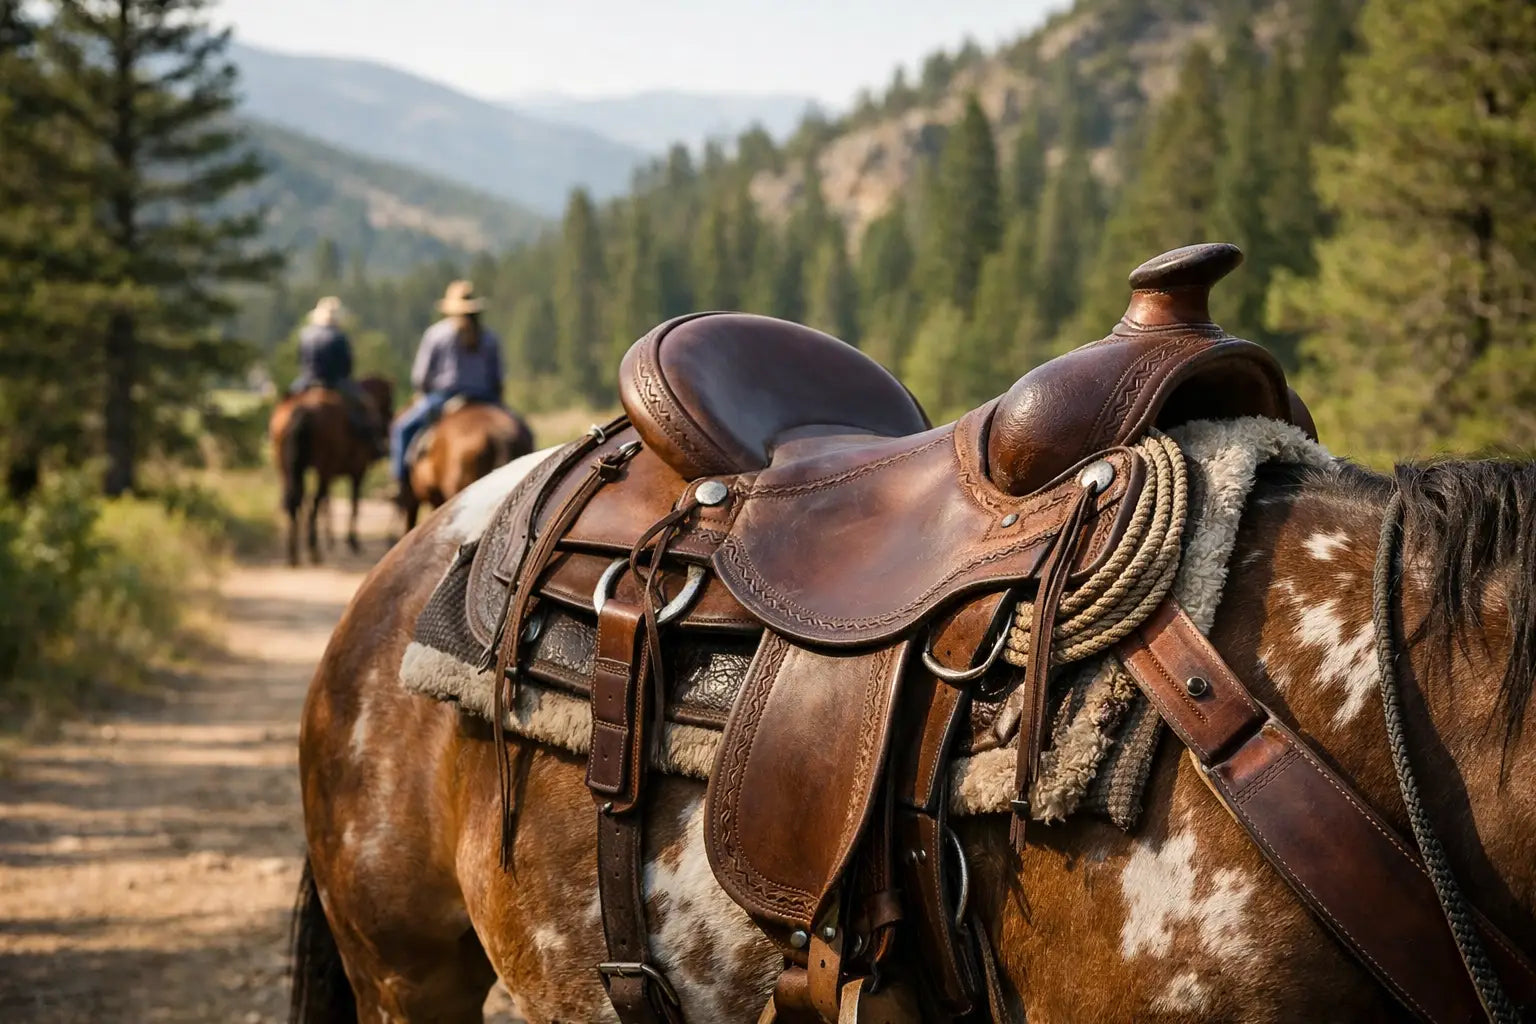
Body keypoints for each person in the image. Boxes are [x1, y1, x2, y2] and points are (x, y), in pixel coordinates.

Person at [390, 280, 506, 491]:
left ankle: (400, 483)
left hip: (444, 396)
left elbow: (421, 376)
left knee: (402, 428)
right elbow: (497, 377)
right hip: (486, 398)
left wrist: (423, 393)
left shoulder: (437, 334)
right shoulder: (489, 337)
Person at [291, 296, 380, 448]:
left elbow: (300, 359)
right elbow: (346, 366)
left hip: (305, 381)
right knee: (365, 405)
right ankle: (373, 442)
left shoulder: (305, 334)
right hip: (333, 382)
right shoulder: (339, 337)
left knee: (286, 402)